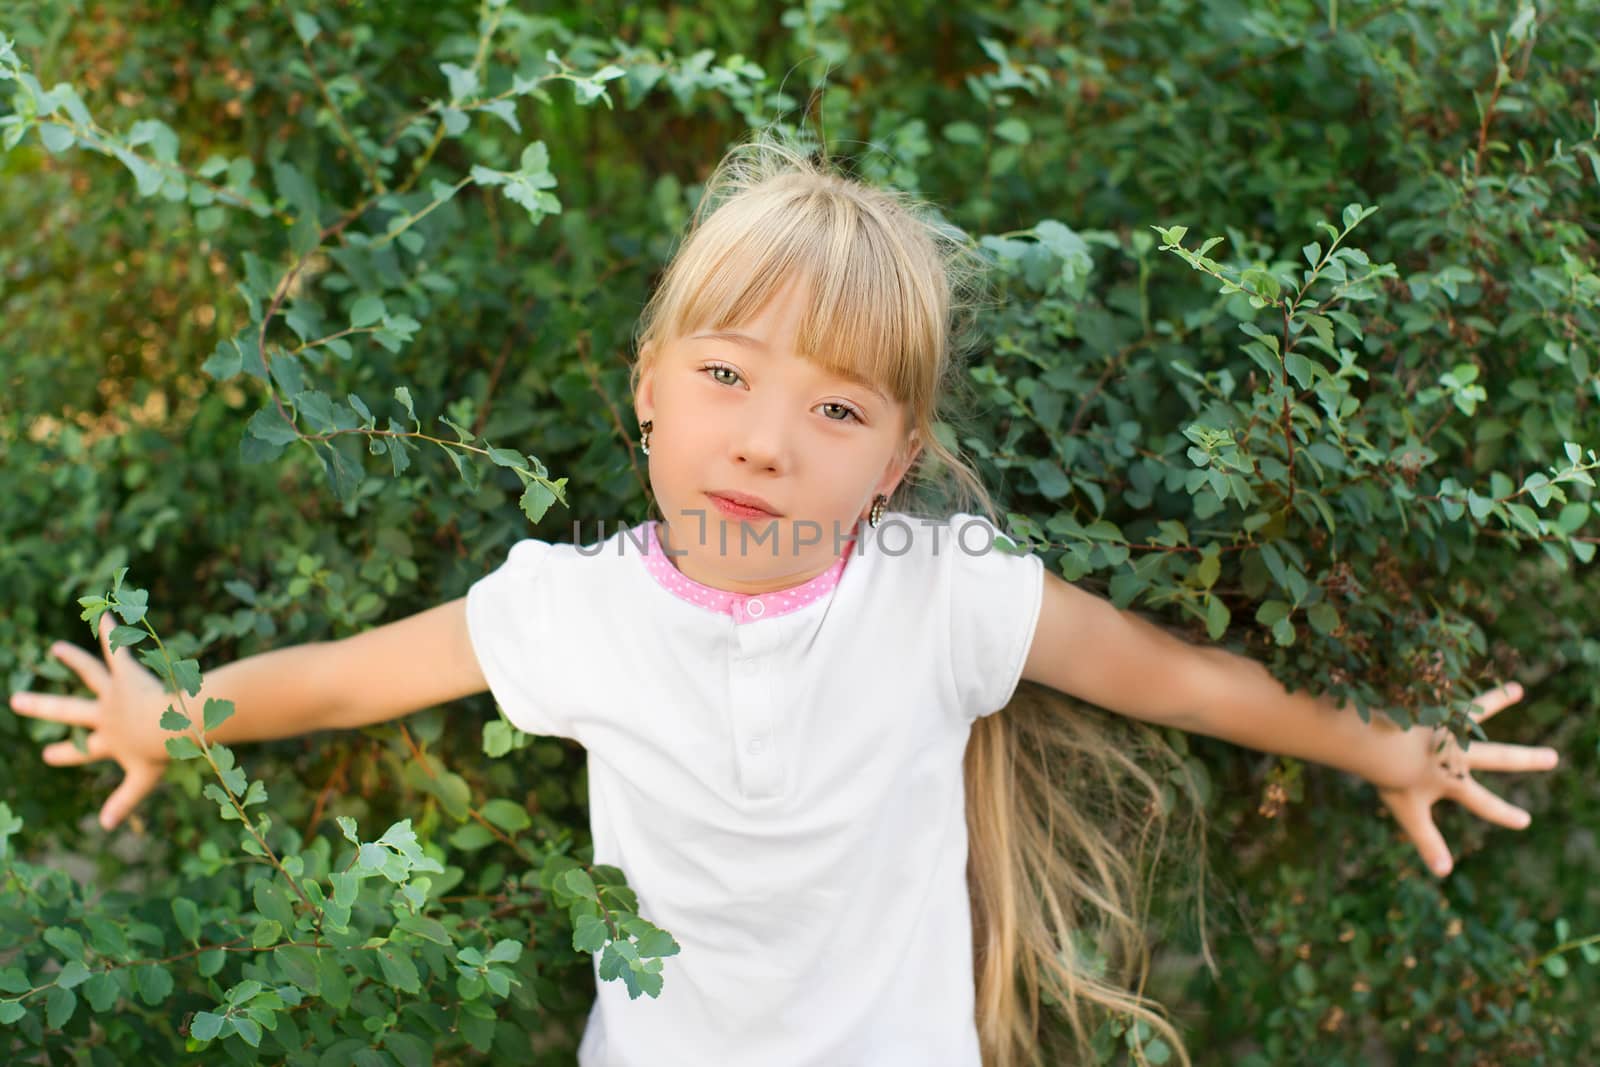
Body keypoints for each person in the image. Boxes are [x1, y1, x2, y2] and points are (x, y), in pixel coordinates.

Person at [8, 136, 1562, 1067]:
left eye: (837, 412)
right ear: (648, 391)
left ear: (895, 461)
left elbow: (1176, 680)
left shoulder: (943, 598)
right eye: (729, 376)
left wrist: (1382, 747)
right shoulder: (571, 611)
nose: (763, 438)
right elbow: (350, 682)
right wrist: (172, 714)